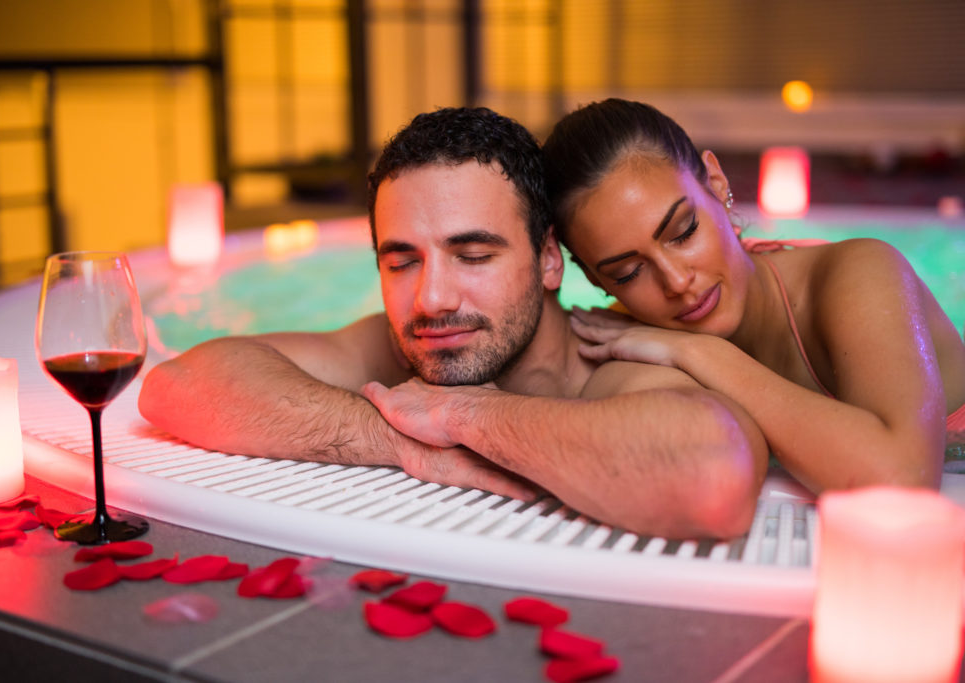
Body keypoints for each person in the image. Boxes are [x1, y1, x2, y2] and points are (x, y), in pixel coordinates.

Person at [139, 106, 768, 539]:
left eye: (473, 255)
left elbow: (714, 476)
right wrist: (395, 441)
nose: (432, 299)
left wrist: (462, 416)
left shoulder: (615, 364)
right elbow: (176, 384)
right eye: (402, 261)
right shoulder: (407, 348)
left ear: (549, 257)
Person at [542, 98, 965, 495]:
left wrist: (702, 354)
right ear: (596, 280)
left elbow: (905, 478)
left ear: (718, 183)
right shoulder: (631, 336)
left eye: (684, 231)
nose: (675, 282)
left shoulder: (860, 274)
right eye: (627, 272)